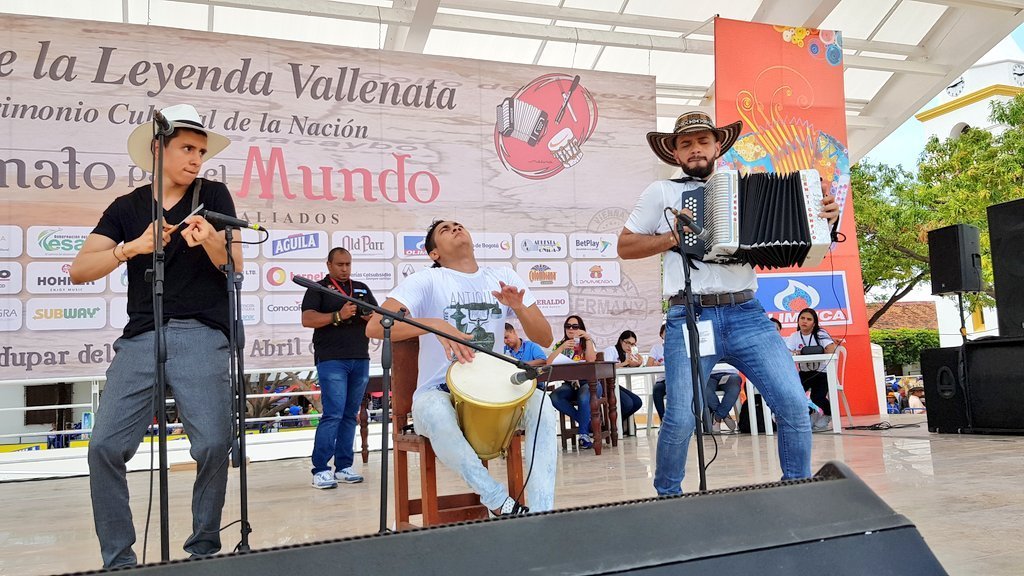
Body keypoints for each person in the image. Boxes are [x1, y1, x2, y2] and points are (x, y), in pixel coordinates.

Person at [618, 111, 839, 495]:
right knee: (681, 417)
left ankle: (797, 492)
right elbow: (625, 245)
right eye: (686, 144)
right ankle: (668, 498)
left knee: (792, 403)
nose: (695, 149)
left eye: (703, 141)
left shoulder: (747, 188)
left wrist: (826, 220)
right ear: (674, 153)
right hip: (690, 314)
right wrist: (672, 238)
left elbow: (803, 234)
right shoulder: (661, 192)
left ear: (718, 146)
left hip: (747, 313)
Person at [69, 103, 240, 568]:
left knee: (212, 443)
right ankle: (119, 560)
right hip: (142, 334)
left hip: (201, 332)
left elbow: (235, 267)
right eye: (187, 148)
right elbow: (80, 269)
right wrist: (133, 247)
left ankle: (203, 547)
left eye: (201, 151)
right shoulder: (126, 207)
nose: (196, 159)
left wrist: (210, 240)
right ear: (158, 149)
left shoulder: (214, 195)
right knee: (104, 446)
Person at [366, 220, 556, 516]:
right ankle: (497, 500)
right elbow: (375, 326)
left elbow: (545, 338)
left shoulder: (502, 277)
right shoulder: (427, 281)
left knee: (542, 404)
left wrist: (518, 308)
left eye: (458, 225)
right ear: (434, 254)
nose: (455, 229)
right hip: (437, 391)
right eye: (445, 230)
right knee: (435, 412)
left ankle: (542, 513)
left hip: (494, 391)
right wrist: (434, 325)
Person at [301, 247, 378, 489]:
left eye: (348, 264)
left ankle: (344, 466)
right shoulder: (318, 288)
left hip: (360, 357)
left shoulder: (361, 288)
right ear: (329, 265)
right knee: (333, 414)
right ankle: (321, 470)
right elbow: (307, 319)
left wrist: (368, 317)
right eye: (340, 265)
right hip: (332, 358)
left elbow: (377, 318)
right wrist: (338, 315)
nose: (345, 269)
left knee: (349, 415)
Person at [547, 315, 599, 449]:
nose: (571, 329)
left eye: (575, 326)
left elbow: (591, 360)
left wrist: (588, 339)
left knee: (583, 397)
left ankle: (583, 435)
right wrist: (561, 348)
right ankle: (586, 424)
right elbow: (549, 363)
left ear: (581, 329)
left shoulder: (587, 342)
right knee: (554, 397)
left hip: (589, 383)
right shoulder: (561, 344)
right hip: (571, 384)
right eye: (568, 326)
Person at [785, 308, 838, 432]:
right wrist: (796, 352)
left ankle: (828, 414)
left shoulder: (820, 333)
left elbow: (831, 349)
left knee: (817, 397)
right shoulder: (794, 336)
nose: (805, 321)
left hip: (821, 372)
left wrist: (813, 351)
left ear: (814, 323)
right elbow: (787, 351)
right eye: (802, 318)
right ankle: (810, 413)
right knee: (795, 395)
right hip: (804, 372)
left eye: (809, 319)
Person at [602, 330, 644, 431]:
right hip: (603, 384)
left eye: (633, 344)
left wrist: (638, 363)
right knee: (628, 403)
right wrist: (625, 363)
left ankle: (614, 423)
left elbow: (628, 366)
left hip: (614, 385)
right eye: (627, 343)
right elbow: (606, 368)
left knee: (637, 402)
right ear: (621, 341)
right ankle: (610, 425)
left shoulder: (626, 354)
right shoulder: (611, 350)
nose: (630, 346)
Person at [704, 366, 742, 433]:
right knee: (704, 390)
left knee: (734, 389)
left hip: (730, 373)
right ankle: (724, 414)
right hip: (707, 374)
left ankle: (717, 417)